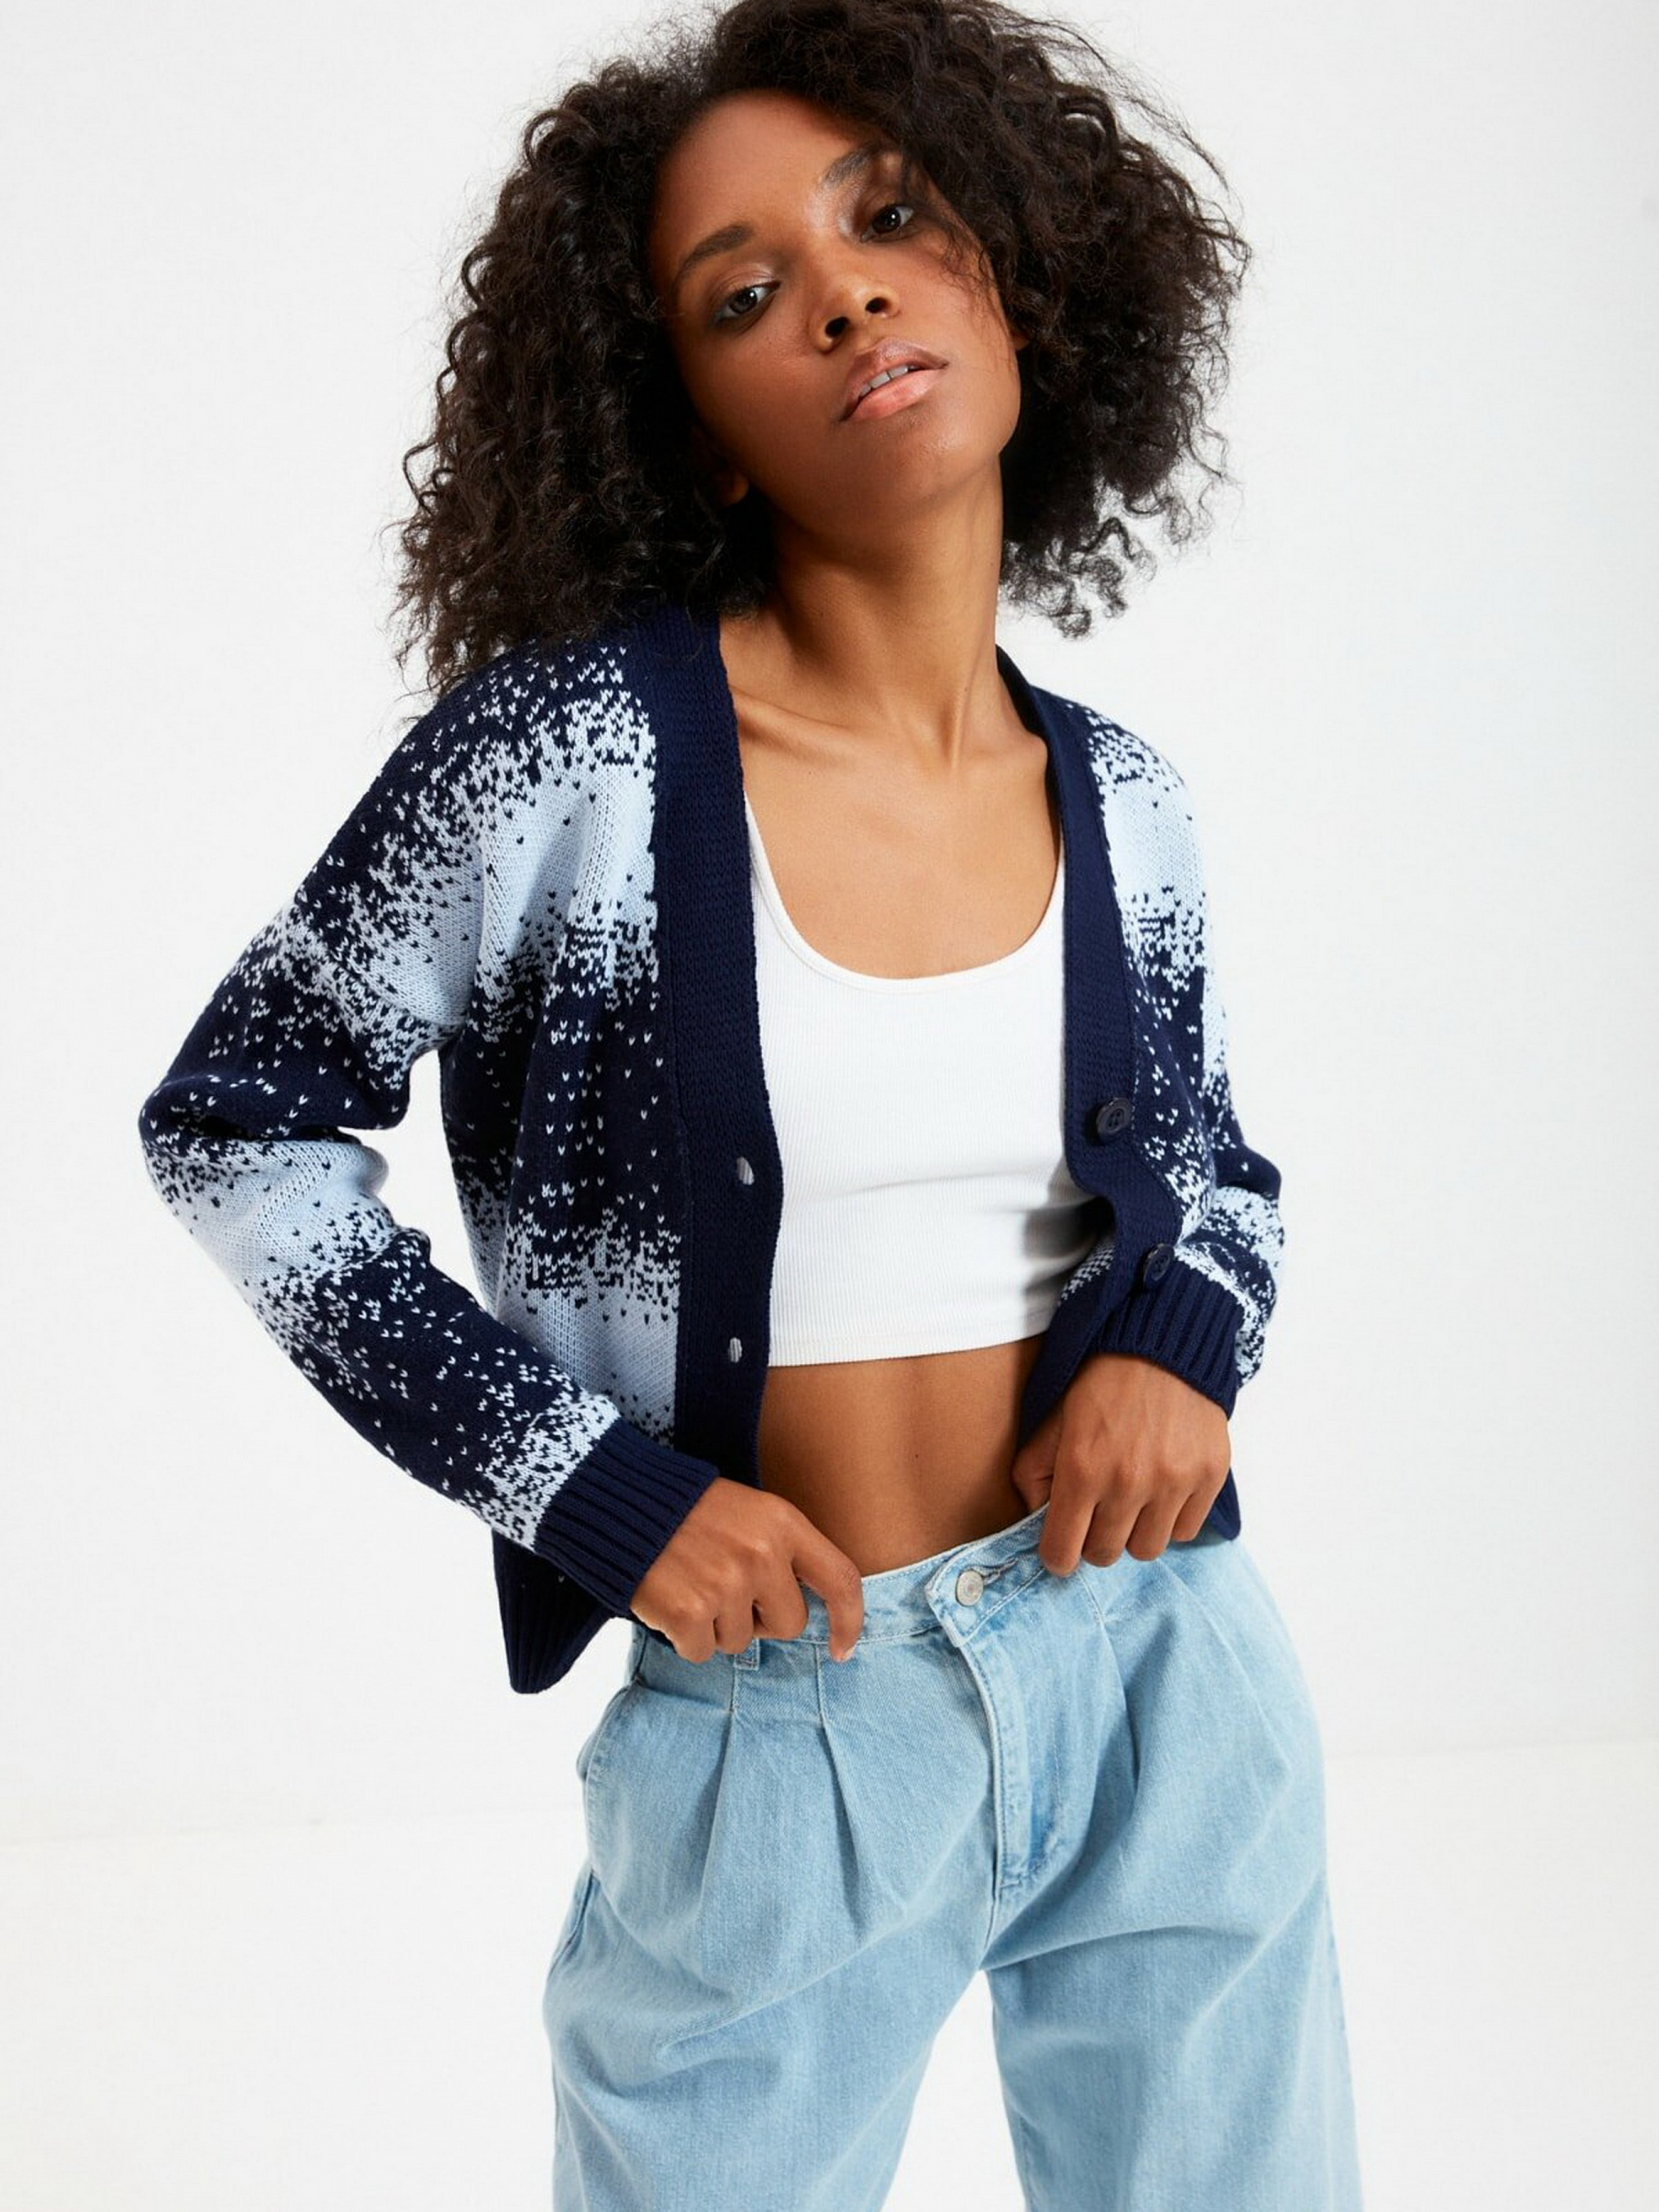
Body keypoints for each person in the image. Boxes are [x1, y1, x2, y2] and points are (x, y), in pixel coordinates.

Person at [138, 1, 1365, 2205]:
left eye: (890, 217)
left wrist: (1184, 1341)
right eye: (742, 292)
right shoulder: (565, 763)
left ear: (1019, 277)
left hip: (1164, 1660)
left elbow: (1213, 1169)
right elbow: (237, 1122)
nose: (846, 294)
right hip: (791, 1710)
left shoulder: (1129, 801)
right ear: (695, 435)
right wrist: (592, 1492)